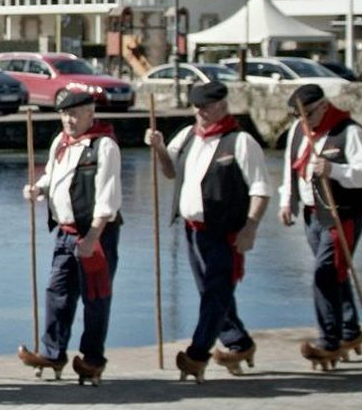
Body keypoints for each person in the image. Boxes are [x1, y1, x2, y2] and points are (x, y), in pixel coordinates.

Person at [146, 80, 271, 382]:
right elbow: (169, 171)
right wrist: (159, 147)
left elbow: (261, 190)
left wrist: (250, 227)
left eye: (208, 107)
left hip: (225, 232)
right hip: (193, 230)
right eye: (197, 107)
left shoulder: (241, 141)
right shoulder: (188, 136)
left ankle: (197, 355)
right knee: (211, 292)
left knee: (214, 293)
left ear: (223, 106)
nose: (201, 113)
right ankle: (239, 343)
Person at [18, 92, 122, 385]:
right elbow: (53, 177)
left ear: (90, 114)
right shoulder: (60, 143)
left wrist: (93, 236)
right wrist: (38, 189)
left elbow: (108, 196)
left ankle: (92, 359)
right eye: (64, 114)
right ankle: (53, 352)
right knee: (57, 292)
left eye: (74, 114)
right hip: (64, 233)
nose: (68, 120)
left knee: (95, 297)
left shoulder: (104, 146)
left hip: (96, 234)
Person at [278, 84, 362, 369]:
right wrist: (287, 202)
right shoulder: (299, 131)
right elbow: (290, 169)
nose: (304, 120)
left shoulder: (349, 131)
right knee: (337, 271)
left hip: (343, 212)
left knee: (324, 273)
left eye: (308, 114)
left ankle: (329, 342)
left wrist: (335, 170)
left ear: (323, 106)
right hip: (313, 212)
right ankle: (350, 330)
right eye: (298, 116)